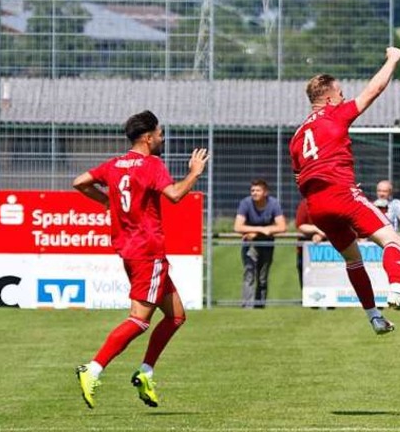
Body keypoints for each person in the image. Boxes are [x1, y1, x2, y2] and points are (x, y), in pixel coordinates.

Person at [71, 110, 209, 409]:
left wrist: (106, 200)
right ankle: (92, 369)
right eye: (159, 134)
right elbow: (173, 194)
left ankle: (145, 372)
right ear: (147, 137)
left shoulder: (115, 164)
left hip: (129, 249)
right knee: (139, 319)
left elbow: (80, 181)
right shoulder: (151, 164)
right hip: (148, 251)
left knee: (176, 316)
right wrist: (195, 173)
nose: (162, 138)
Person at [289, 47, 400, 336]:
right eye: (340, 93)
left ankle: (374, 316)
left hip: (317, 206)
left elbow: (300, 176)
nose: (343, 97)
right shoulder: (335, 113)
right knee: (392, 239)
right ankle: (398, 290)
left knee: (353, 259)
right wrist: (393, 59)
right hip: (340, 194)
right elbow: (373, 90)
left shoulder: (298, 136)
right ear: (328, 97)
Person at [234, 179, 287, 308]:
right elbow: (237, 227)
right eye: (252, 190)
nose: (254, 193)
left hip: (267, 243)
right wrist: (261, 229)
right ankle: (247, 306)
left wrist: (258, 232)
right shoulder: (245, 203)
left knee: (263, 276)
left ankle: (260, 305)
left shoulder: (274, 203)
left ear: (265, 192)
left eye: (258, 190)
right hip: (250, 243)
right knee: (249, 273)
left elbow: (282, 227)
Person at [295, 197, 327, 290]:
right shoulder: (305, 204)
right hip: (305, 252)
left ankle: (329, 304)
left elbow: (338, 225)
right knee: (307, 283)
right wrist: (316, 230)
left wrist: (321, 236)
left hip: (329, 251)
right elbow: (300, 226)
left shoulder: (333, 203)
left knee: (327, 280)